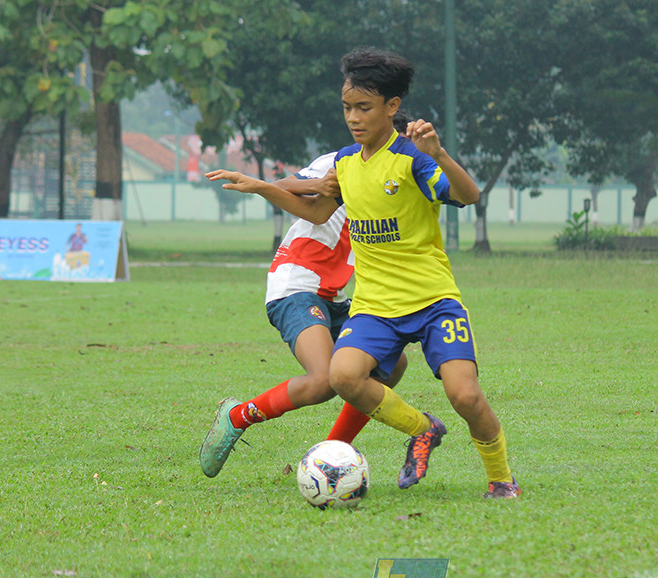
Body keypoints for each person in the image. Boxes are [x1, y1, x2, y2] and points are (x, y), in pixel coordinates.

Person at [206, 47, 520, 499]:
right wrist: (259, 187)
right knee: (342, 377)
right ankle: (422, 429)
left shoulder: (413, 158)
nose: (353, 117)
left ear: (392, 107)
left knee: (465, 396)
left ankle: (501, 479)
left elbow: (467, 196)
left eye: (364, 108)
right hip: (370, 306)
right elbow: (312, 209)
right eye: (347, 107)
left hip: (433, 301)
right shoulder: (346, 164)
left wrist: (441, 154)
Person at [198, 115, 412, 478]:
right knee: (323, 380)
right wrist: (319, 184)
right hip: (296, 283)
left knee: (391, 364)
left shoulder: (399, 184)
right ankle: (237, 416)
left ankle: (331, 454)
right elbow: (287, 185)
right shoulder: (340, 162)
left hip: (336, 294)